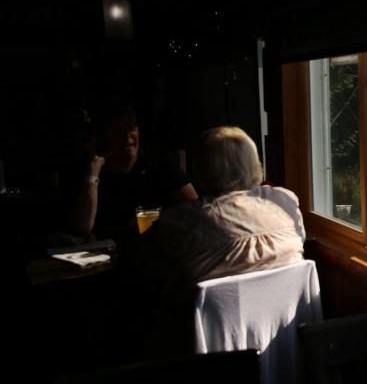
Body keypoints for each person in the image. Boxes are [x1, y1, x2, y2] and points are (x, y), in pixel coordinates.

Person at [135, 125, 305, 287]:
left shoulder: (183, 220)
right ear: (255, 163)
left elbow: (141, 263)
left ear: (202, 169)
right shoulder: (285, 201)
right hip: (290, 315)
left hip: (211, 317)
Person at [68, 103, 198, 242]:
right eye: (117, 131)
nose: (127, 136)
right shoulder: (89, 171)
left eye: (131, 128)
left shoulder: (158, 159)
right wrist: (93, 175)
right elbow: (83, 227)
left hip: (157, 245)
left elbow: (194, 207)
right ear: (102, 137)